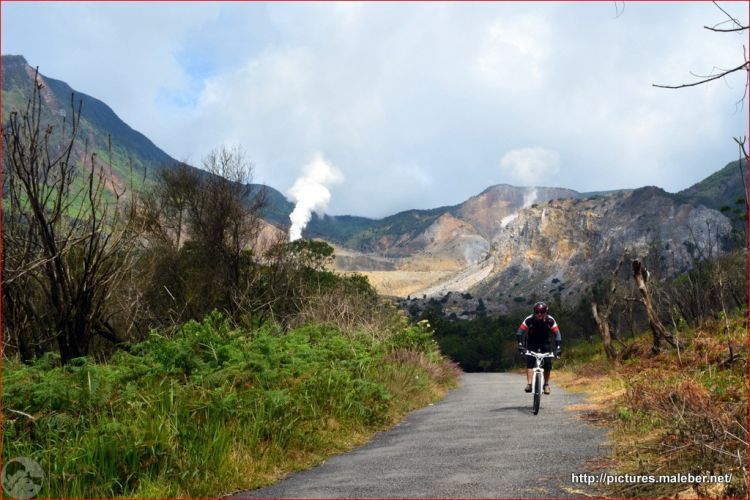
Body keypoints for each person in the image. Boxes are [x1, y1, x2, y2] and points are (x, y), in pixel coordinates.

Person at [516, 301, 562, 395]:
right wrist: (520, 345)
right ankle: (529, 384)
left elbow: (557, 334)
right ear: (534, 312)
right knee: (530, 361)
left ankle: (546, 385)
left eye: (542, 312)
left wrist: (558, 348)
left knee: (548, 363)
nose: (539, 314)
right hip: (532, 342)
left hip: (545, 343)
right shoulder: (529, 319)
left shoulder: (550, 320)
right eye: (537, 312)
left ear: (546, 312)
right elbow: (519, 332)